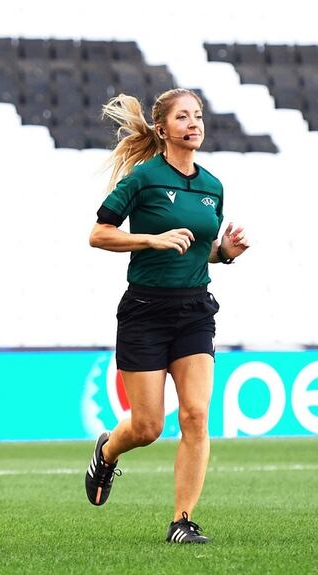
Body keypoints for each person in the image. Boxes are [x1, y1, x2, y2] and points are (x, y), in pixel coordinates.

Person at [84, 90, 250, 544]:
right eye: (183, 117)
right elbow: (99, 235)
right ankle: (108, 450)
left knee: (196, 416)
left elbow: (201, 250)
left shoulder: (212, 186)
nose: (194, 123)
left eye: (198, 115)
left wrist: (225, 253)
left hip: (196, 310)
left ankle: (182, 520)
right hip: (145, 311)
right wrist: (150, 240)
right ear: (163, 129)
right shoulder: (142, 179)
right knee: (148, 426)